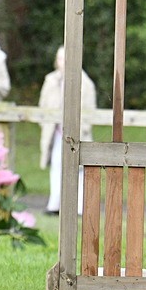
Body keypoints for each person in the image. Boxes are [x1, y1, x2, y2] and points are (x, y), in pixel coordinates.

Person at [38, 46, 96, 214]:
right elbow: (43, 105)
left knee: (78, 169)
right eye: (61, 59)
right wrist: (47, 124)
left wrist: (79, 130)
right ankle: (55, 204)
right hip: (55, 132)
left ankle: (79, 207)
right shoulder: (51, 80)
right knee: (56, 166)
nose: (64, 63)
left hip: (77, 134)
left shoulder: (85, 83)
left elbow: (89, 111)